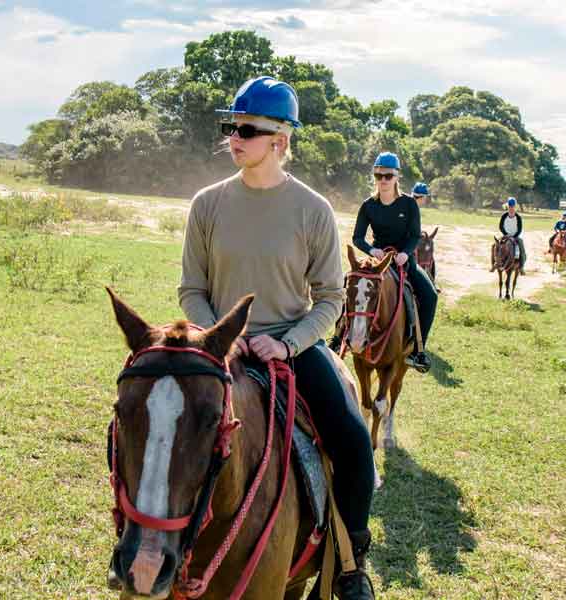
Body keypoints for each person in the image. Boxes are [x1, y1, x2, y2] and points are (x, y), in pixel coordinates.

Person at [178, 76, 375, 600]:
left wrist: (287, 344)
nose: (233, 137)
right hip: (219, 350)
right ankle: (144, 546)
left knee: (355, 443)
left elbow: (331, 298)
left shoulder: (313, 211)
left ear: (280, 141)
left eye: (246, 128)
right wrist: (222, 337)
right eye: (231, 127)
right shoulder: (207, 204)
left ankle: (351, 565)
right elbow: (191, 290)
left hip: (291, 349)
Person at [347, 152, 437, 373]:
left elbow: (415, 235)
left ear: (397, 176)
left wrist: (406, 253)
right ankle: (339, 336)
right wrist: (373, 250)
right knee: (350, 285)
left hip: (403, 260)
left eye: (388, 176)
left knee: (430, 295)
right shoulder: (368, 205)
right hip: (377, 260)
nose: (383, 180)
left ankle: (418, 349)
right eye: (379, 175)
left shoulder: (409, 204)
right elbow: (357, 238)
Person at [494, 196, 526, 275]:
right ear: (507, 206)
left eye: (512, 206)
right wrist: (506, 235)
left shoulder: (518, 217)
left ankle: (521, 267)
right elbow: (501, 227)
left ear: (515, 207)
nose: (511, 208)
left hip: (515, 236)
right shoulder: (504, 216)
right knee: (494, 245)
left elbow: (519, 229)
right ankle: (494, 263)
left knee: (521, 246)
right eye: (510, 206)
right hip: (505, 235)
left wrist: (514, 236)